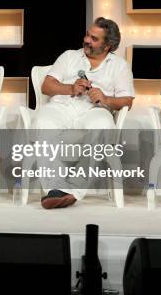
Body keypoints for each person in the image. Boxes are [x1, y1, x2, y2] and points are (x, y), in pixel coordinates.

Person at [32, 17, 134, 209]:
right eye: (88, 35)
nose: (87, 40)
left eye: (94, 39)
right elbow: (47, 86)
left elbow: (127, 101)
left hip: (95, 110)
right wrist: (70, 88)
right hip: (62, 106)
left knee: (103, 127)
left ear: (108, 45)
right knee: (43, 121)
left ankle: (74, 190)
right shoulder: (69, 56)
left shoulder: (119, 66)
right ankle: (55, 188)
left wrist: (106, 99)